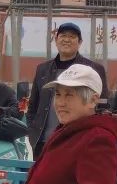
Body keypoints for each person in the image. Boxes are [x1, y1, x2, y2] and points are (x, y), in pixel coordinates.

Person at [26, 22, 109, 152]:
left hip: (76, 143)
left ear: (80, 42)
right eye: (63, 36)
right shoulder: (42, 69)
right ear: (56, 40)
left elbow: (103, 108)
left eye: (72, 37)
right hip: (41, 143)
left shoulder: (93, 69)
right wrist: (32, 131)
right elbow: (32, 107)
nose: (66, 40)